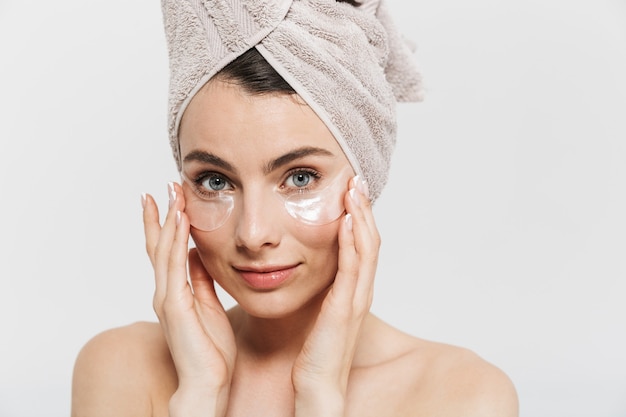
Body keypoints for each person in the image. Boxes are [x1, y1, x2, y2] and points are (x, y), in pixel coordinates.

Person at [71, 0, 519, 416]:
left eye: (300, 178)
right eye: (215, 181)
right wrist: (200, 394)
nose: (253, 233)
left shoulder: (461, 396)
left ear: (367, 178)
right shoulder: (121, 370)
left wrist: (320, 393)